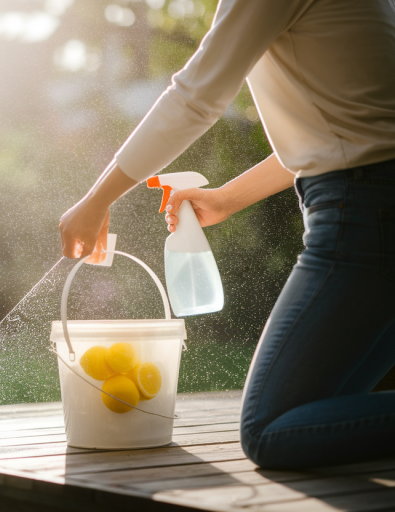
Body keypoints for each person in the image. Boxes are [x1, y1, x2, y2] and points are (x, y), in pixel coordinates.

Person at [59, 0, 395, 469]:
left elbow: (195, 97)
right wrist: (227, 198)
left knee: (270, 429)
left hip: (363, 214)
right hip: (373, 203)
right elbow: (345, 130)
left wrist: (98, 198)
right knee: (325, 413)